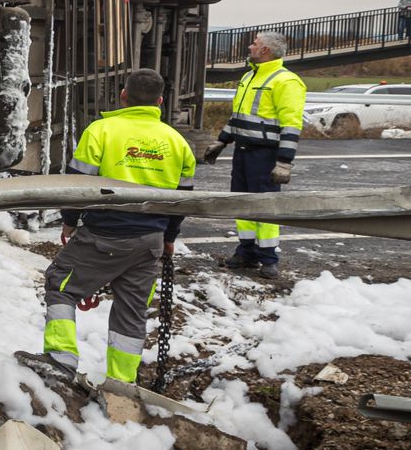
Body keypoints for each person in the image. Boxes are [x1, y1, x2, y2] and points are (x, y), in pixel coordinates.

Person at [23, 68, 196, 394]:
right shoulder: (177, 143)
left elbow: (77, 185)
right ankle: (121, 386)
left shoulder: (101, 131)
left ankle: (61, 359)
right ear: (160, 101)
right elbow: (182, 200)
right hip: (149, 242)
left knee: (60, 284)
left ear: (123, 96)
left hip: (104, 235)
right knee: (132, 312)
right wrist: (169, 238)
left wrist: (70, 221)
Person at [202, 30, 307, 274]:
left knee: (265, 206)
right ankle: (246, 251)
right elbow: (239, 117)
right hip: (243, 152)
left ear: (265, 50)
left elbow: (291, 125)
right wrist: (222, 141)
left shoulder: (286, 81)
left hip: (265, 156)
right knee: (241, 203)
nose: (250, 46)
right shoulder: (249, 76)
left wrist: (284, 162)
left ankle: (269, 258)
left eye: (255, 43)